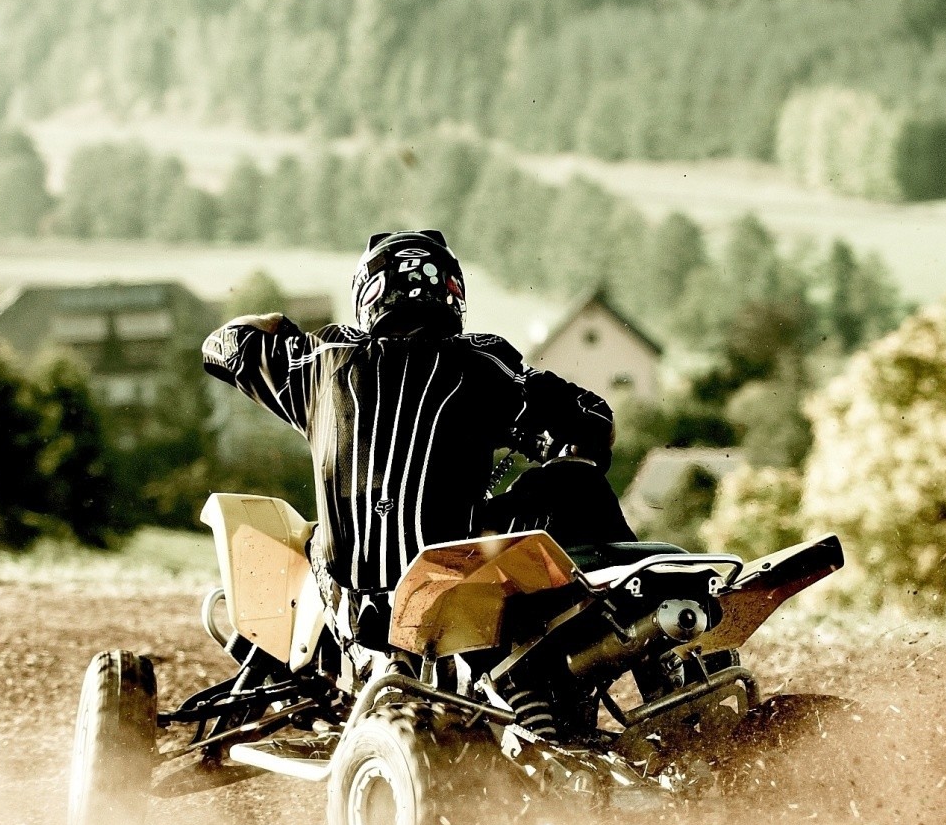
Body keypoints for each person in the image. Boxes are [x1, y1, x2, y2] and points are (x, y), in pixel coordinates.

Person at [201, 230, 634, 651]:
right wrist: (556, 450)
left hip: (350, 606)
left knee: (310, 538)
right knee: (577, 482)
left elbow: (221, 345)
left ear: (367, 293)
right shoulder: (484, 364)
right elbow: (595, 419)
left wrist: (274, 324)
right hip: (456, 594)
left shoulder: (319, 362)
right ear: (451, 291)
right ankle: (635, 611)